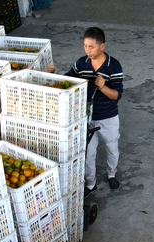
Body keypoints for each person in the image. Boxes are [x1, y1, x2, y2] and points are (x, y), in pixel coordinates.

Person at [49, 27, 124, 197]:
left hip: (108, 117)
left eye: (92, 47)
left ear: (102, 46)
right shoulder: (81, 64)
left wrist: (103, 87)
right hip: (86, 118)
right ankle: (90, 183)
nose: (87, 51)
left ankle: (111, 173)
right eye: (85, 46)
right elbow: (68, 81)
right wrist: (54, 74)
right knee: (88, 153)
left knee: (112, 148)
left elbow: (116, 95)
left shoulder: (114, 66)